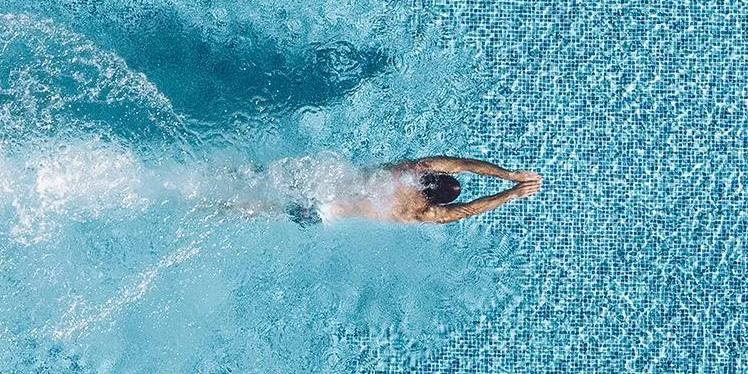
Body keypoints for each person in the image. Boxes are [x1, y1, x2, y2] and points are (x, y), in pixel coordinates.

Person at [232, 154, 542, 225]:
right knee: (262, 210)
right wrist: (510, 195)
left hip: (321, 181)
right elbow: (469, 209)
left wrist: (509, 174)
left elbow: (461, 164)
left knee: (264, 175)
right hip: (322, 211)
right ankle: (215, 207)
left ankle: (218, 174)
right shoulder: (422, 212)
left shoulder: (414, 169)